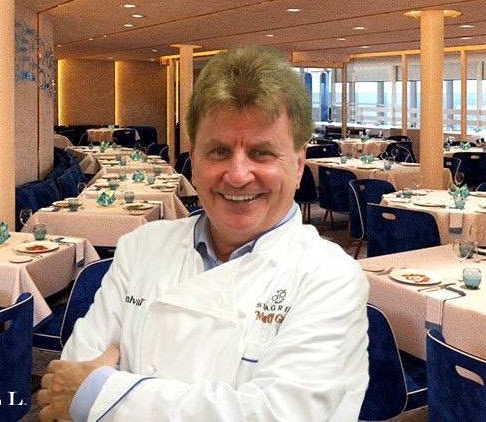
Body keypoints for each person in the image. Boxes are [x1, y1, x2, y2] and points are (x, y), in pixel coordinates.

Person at [38, 45, 369, 421]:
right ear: (193, 163)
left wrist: (100, 394)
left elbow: (277, 415)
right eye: (219, 152)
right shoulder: (140, 248)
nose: (239, 174)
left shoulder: (332, 278)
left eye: (261, 153)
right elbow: (67, 384)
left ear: (297, 164)